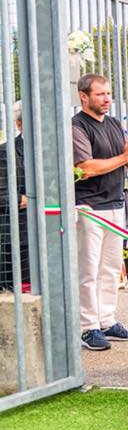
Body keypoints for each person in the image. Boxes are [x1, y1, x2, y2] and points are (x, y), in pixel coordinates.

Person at [73, 73, 128, 351]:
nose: (107, 99)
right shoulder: (77, 126)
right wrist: (126, 155)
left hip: (116, 203)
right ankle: (88, 327)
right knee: (88, 270)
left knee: (111, 268)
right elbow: (86, 167)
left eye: (108, 93)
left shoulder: (114, 123)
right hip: (89, 207)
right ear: (84, 96)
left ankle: (107, 319)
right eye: (100, 94)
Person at [0, 101, 29, 293]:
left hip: (53, 235)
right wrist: (34, 199)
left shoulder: (58, 151)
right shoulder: (5, 152)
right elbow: (3, 196)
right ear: (19, 125)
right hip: (19, 239)